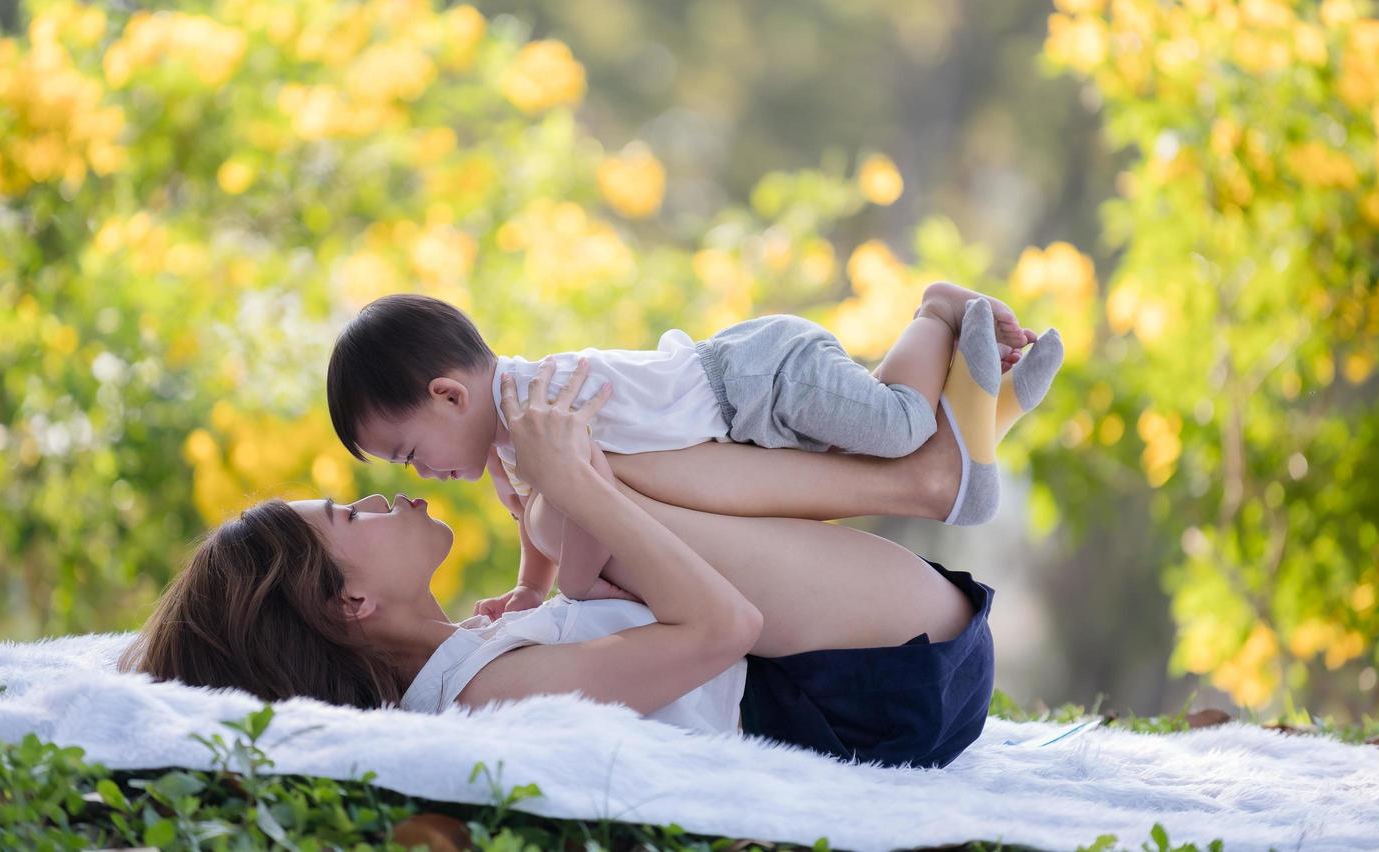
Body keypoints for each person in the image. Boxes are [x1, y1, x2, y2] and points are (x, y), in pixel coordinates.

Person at [126, 361, 999, 768]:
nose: (387, 497)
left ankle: (915, 452)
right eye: (350, 512)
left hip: (884, 657)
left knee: (590, 487)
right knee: (591, 483)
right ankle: (918, 468)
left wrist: (572, 501)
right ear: (349, 601)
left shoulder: (468, 652)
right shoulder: (479, 694)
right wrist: (576, 487)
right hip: (873, 696)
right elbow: (726, 627)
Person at [325, 283, 1062, 614]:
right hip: (746, 415)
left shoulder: (538, 406)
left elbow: (586, 503)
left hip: (758, 375)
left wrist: (574, 586)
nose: (421, 474)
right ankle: (984, 419)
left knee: (898, 429)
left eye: (409, 451)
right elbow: (535, 520)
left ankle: (932, 313)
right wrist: (529, 586)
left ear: (448, 395)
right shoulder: (506, 443)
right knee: (876, 454)